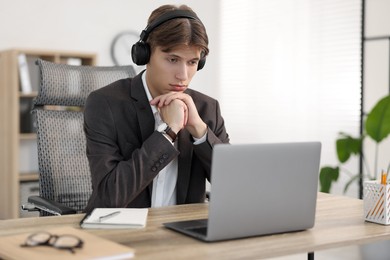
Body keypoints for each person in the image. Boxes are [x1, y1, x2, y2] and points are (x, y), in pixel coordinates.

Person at [83, 4, 229, 212]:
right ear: (145, 55)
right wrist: (167, 133)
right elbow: (110, 197)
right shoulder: (104, 104)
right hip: (121, 230)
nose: (183, 75)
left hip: (183, 234)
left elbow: (233, 184)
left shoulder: (207, 109)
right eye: (173, 59)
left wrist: (199, 131)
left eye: (192, 62)